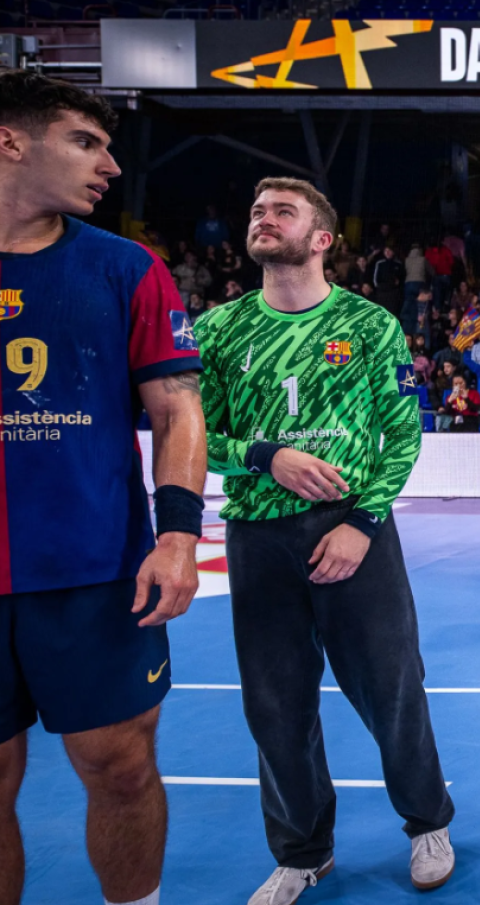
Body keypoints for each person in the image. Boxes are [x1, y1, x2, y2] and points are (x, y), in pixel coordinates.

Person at [197, 177, 456, 903]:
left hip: (354, 529)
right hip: (255, 535)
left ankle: (427, 822)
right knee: (275, 705)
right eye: (255, 210)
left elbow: (404, 433)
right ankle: (303, 851)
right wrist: (264, 456)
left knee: (392, 687)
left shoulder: (371, 327)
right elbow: (198, 438)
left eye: (282, 211)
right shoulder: (217, 330)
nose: (262, 219)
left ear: (320, 240)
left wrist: (363, 522)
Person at [0, 69, 206, 905]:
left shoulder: (127, 269)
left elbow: (177, 408)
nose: (109, 165)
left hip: (93, 576)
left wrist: (178, 535)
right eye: (86, 143)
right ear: (10, 141)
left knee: (120, 770)